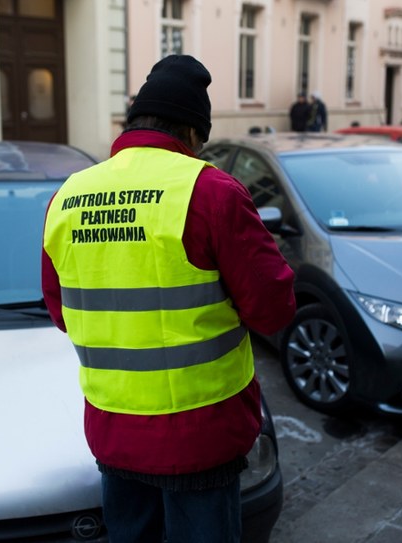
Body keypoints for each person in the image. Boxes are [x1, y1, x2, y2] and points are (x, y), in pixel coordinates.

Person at [41, 54, 296, 543]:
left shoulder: (68, 197)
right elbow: (274, 308)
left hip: (114, 432)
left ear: (133, 122)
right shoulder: (211, 192)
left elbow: (61, 312)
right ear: (193, 134)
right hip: (201, 436)